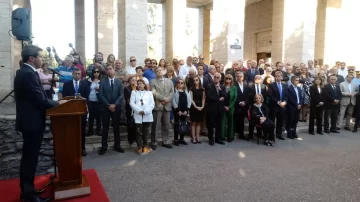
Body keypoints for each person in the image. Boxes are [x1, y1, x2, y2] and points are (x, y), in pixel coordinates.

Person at [15, 45, 66, 202]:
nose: (42, 59)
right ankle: (29, 196)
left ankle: (28, 191)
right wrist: (58, 103)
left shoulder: (25, 72)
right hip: (32, 123)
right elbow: (39, 99)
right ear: (32, 58)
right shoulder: (28, 74)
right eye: (41, 56)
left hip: (29, 122)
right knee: (30, 159)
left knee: (29, 158)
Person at [62, 68, 89, 156]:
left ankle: (82, 149)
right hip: (71, 111)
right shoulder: (67, 84)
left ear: (81, 74)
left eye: (78, 74)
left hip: (81, 111)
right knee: (72, 131)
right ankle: (72, 149)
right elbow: (64, 96)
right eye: (75, 73)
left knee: (82, 131)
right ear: (72, 74)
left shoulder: (85, 84)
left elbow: (87, 96)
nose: (77, 75)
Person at [98, 64, 125, 155]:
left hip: (116, 108)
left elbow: (121, 95)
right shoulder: (102, 81)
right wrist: (108, 105)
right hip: (105, 108)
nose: (109, 70)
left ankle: (117, 145)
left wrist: (115, 105)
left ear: (113, 70)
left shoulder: (118, 82)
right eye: (107, 69)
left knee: (116, 128)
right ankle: (104, 147)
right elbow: (101, 95)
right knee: (105, 128)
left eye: (110, 69)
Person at [150, 67, 175, 150]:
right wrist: (163, 99)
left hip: (167, 106)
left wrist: (168, 99)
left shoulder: (169, 81)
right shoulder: (152, 81)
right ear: (155, 73)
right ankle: (154, 142)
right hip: (158, 105)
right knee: (155, 125)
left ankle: (165, 141)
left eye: (160, 70)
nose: (159, 72)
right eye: (157, 71)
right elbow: (153, 92)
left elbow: (172, 91)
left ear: (164, 71)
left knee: (166, 125)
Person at [130, 79, 155, 155]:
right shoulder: (134, 92)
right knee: (139, 132)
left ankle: (145, 146)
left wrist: (145, 111)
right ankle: (140, 146)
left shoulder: (149, 93)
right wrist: (139, 110)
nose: (139, 85)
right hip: (138, 115)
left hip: (147, 115)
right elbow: (131, 103)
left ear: (144, 84)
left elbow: (152, 104)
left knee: (146, 132)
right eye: (138, 84)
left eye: (141, 83)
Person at [206, 72, 226, 146]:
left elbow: (225, 96)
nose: (216, 78)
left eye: (218, 77)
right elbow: (208, 97)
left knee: (219, 124)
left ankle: (218, 139)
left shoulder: (222, 87)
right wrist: (218, 99)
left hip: (220, 109)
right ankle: (211, 139)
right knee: (211, 124)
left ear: (220, 79)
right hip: (212, 109)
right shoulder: (209, 86)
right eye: (215, 77)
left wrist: (220, 89)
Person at [269, 71, 288, 140]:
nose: (277, 77)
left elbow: (286, 95)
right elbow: (271, 95)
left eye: (279, 76)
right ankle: (271, 135)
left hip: (282, 106)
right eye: (276, 76)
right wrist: (278, 102)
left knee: (281, 121)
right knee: (272, 121)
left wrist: (284, 102)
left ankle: (279, 134)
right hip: (274, 106)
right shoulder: (271, 85)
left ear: (282, 77)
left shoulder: (285, 85)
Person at [172, 78, 192, 146]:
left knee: (183, 124)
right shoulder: (175, 91)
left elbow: (189, 101)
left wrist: (187, 110)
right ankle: (176, 139)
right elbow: (173, 101)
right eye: (179, 82)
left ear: (184, 84)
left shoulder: (186, 91)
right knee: (177, 124)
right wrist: (178, 110)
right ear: (177, 84)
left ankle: (182, 139)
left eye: (182, 83)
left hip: (185, 111)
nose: (180, 84)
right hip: (177, 111)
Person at [190, 76, 206, 144]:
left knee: (199, 123)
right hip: (194, 107)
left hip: (200, 106)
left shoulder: (202, 89)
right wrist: (196, 106)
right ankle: (193, 138)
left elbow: (203, 98)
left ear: (199, 80)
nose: (195, 81)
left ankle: (198, 137)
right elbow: (191, 99)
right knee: (193, 123)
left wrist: (202, 106)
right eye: (194, 80)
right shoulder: (191, 89)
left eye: (196, 80)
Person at [86, 67, 102, 137]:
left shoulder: (102, 81)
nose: (96, 73)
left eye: (97, 72)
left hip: (98, 101)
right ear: (92, 73)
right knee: (91, 117)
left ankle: (99, 130)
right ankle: (90, 131)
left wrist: (100, 89)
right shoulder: (89, 80)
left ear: (99, 73)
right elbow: (86, 90)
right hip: (90, 100)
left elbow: (105, 91)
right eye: (94, 72)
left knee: (98, 117)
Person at [222, 74, 237, 142]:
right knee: (223, 122)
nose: (228, 80)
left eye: (230, 78)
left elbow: (235, 98)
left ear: (232, 80)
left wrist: (229, 106)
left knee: (231, 122)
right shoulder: (222, 87)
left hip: (231, 107)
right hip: (223, 106)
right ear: (225, 79)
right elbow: (220, 96)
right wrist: (224, 106)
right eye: (227, 78)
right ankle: (222, 136)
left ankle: (230, 136)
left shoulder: (234, 88)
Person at [124, 76, 137, 146]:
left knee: (136, 125)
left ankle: (135, 138)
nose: (134, 81)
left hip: (137, 109)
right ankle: (131, 139)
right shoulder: (126, 88)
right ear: (129, 81)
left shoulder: (138, 88)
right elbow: (128, 100)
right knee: (130, 124)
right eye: (133, 80)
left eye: (135, 80)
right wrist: (134, 107)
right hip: (130, 109)